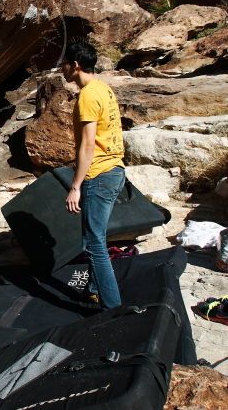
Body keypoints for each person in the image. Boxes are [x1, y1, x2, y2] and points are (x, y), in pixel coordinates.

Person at [60, 41, 126, 309]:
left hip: (98, 174)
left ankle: (113, 307)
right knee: (96, 236)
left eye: (63, 64)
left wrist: (75, 185)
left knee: (94, 244)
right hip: (115, 169)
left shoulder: (87, 95)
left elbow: (87, 144)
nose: (61, 69)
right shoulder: (104, 89)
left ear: (75, 65)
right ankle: (93, 288)